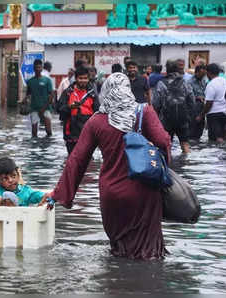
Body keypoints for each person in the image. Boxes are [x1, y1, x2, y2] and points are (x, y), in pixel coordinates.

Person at [49, 73, 171, 260]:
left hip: (112, 194)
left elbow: (77, 159)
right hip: (144, 192)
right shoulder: (144, 112)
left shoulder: (96, 121)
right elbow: (163, 141)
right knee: (149, 252)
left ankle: (116, 284)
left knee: (119, 249)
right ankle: (146, 285)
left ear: (105, 92)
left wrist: (59, 194)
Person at [153, 60, 195, 153]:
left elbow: (155, 104)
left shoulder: (161, 83)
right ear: (177, 69)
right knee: (185, 144)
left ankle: (169, 164)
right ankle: (187, 164)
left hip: (166, 119)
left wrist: (157, 119)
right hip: (182, 118)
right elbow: (192, 101)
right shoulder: (185, 83)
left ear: (167, 69)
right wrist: (188, 115)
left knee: (167, 144)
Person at [57, 66, 100, 155]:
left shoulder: (92, 94)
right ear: (76, 79)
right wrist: (70, 108)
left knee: (86, 161)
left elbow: (97, 113)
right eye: (80, 78)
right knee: (73, 159)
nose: (83, 81)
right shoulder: (68, 92)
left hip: (88, 133)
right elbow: (58, 109)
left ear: (88, 79)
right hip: (71, 134)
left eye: (85, 78)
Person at [197, 63, 226, 143]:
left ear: (208, 73)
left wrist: (201, 115)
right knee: (225, 137)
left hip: (214, 115)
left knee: (216, 139)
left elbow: (209, 103)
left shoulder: (211, 84)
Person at [26, 59, 54, 137]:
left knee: (49, 131)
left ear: (42, 68)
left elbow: (51, 95)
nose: (38, 69)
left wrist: (44, 108)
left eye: (39, 67)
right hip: (34, 109)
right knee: (34, 133)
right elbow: (28, 95)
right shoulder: (30, 82)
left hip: (46, 109)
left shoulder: (47, 80)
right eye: (36, 67)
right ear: (34, 68)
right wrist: (24, 103)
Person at [188, 64, 207, 141]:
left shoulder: (203, 81)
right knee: (192, 129)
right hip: (193, 109)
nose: (203, 76)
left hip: (202, 108)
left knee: (200, 128)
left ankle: (197, 141)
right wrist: (197, 97)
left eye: (204, 74)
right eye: (201, 74)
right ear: (196, 72)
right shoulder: (190, 82)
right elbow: (187, 96)